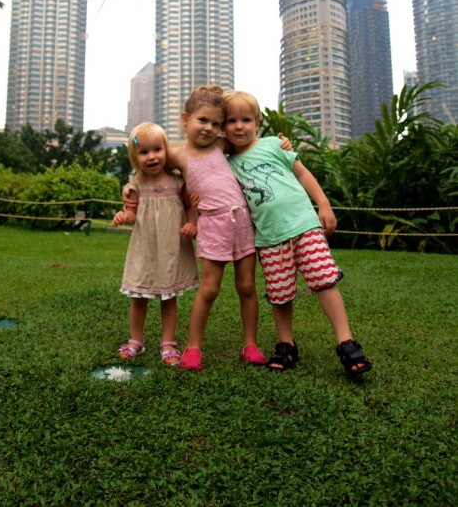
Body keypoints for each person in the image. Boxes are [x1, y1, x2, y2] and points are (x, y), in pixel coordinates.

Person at [223, 89, 373, 379]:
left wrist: (324, 204)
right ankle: (286, 343)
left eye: (245, 119)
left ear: (256, 121)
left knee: (323, 279)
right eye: (230, 121)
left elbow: (303, 174)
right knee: (280, 294)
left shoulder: (273, 145)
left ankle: (346, 341)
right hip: (268, 237)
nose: (239, 126)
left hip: (304, 225)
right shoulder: (227, 165)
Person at [164, 85, 268, 371]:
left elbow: (251, 141)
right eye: (202, 120)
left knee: (247, 286)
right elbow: (145, 161)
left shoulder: (221, 145)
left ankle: (250, 344)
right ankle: (193, 346)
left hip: (242, 222)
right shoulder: (176, 155)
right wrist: (131, 189)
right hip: (212, 224)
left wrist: (281, 142)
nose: (209, 128)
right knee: (210, 288)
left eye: (215, 123)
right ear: (185, 118)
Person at [112, 121, 199, 366]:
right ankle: (135, 340)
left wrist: (192, 223)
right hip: (144, 248)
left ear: (166, 150)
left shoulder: (177, 182)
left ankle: (168, 342)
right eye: (144, 152)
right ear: (134, 157)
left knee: (168, 296)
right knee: (138, 296)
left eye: (157, 150)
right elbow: (131, 213)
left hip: (171, 248)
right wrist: (123, 216)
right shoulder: (135, 186)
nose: (151, 157)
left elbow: (191, 205)